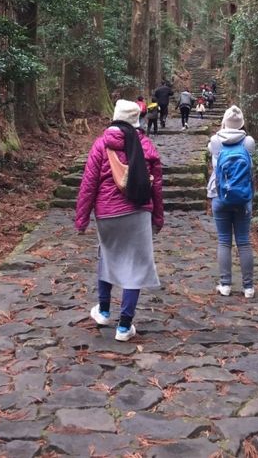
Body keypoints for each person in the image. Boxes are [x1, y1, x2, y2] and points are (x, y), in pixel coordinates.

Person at [75, 100, 164, 341]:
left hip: (107, 213)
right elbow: (157, 187)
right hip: (138, 212)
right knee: (134, 267)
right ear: (138, 120)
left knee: (107, 256)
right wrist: (158, 217)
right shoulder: (146, 145)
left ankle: (103, 311)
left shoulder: (101, 144)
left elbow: (89, 184)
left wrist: (82, 219)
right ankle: (124, 326)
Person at [207, 105, 256, 299]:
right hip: (243, 197)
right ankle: (249, 287)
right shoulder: (248, 142)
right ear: (242, 122)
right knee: (243, 242)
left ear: (225, 121)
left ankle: (225, 284)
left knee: (224, 240)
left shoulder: (215, 141)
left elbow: (212, 153)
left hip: (220, 195)